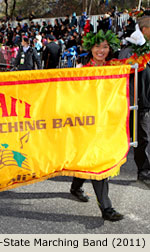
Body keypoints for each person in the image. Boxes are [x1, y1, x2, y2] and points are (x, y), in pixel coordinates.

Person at [70, 30, 124, 222]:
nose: (101, 50)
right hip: (87, 125)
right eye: (97, 46)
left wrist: (143, 44)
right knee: (96, 161)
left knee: (88, 160)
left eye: (105, 47)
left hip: (108, 125)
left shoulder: (115, 67)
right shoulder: (81, 71)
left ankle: (75, 187)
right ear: (90, 48)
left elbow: (140, 61)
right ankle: (107, 209)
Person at [119, 15, 150, 184]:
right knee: (133, 137)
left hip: (145, 101)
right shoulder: (130, 50)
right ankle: (143, 171)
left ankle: (144, 170)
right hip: (132, 103)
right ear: (144, 30)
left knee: (144, 137)